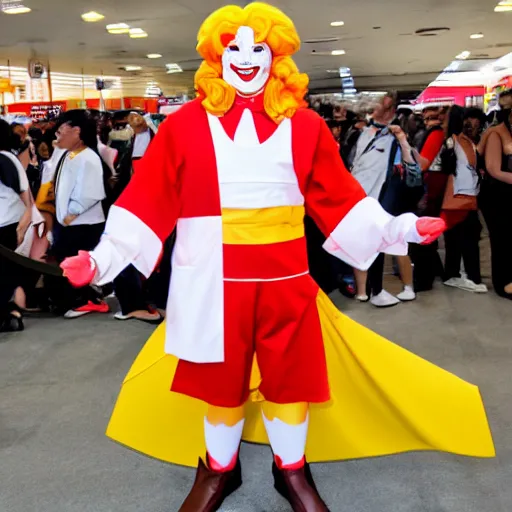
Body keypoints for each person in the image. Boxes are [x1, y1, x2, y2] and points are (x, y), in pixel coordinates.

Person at [61, 4, 493, 511]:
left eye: (257, 48)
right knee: (220, 386)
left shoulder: (305, 125)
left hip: (286, 279)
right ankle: (217, 471)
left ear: (278, 56)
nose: (245, 59)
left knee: (292, 382)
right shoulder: (184, 127)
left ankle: (293, 472)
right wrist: (102, 257)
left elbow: (339, 197)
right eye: (233, 48)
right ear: (216, 58)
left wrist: (397, 226)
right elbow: (147, 199)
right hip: (212, 281)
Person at [350, 93, 421, 306]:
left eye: (381, 103)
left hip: (388, 197)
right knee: (366, 243)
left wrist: (401, 139)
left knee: (392, 241)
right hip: (362, 198)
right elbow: (351, 162)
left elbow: (413, 167)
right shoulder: (359, 133)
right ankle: (368, 290)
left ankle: (391, 288)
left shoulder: (397, 134)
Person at [48, 110, 109, 318]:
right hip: (70, 223)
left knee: (78, 263)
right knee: (70, 263)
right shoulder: (70, 154)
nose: (57, 135)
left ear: (77, 131)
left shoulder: (88, 157)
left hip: (82, 224)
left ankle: (89, 299)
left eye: (61, 130)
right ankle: (81, 298)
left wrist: (69, 215)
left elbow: (90, 193)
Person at [441, 106, 486, 293]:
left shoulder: (458, 141)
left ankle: (457, 274)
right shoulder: (457, 141)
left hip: (460, 198)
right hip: (460, 198)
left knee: (460, 238)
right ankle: (466, 276)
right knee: (466, 238)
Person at [478, 99, 512, 299]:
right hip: (497, 195)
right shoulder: (495, 133)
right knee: (502, 240)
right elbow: (493, 169)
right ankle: (503, 283)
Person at [0, 120, 32, 331]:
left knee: (6, 272)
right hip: (8, 223)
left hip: (8, 224)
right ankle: (12, 311)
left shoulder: (6, 158)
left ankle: (11, 311)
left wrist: (22, 227)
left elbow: (26, 197)